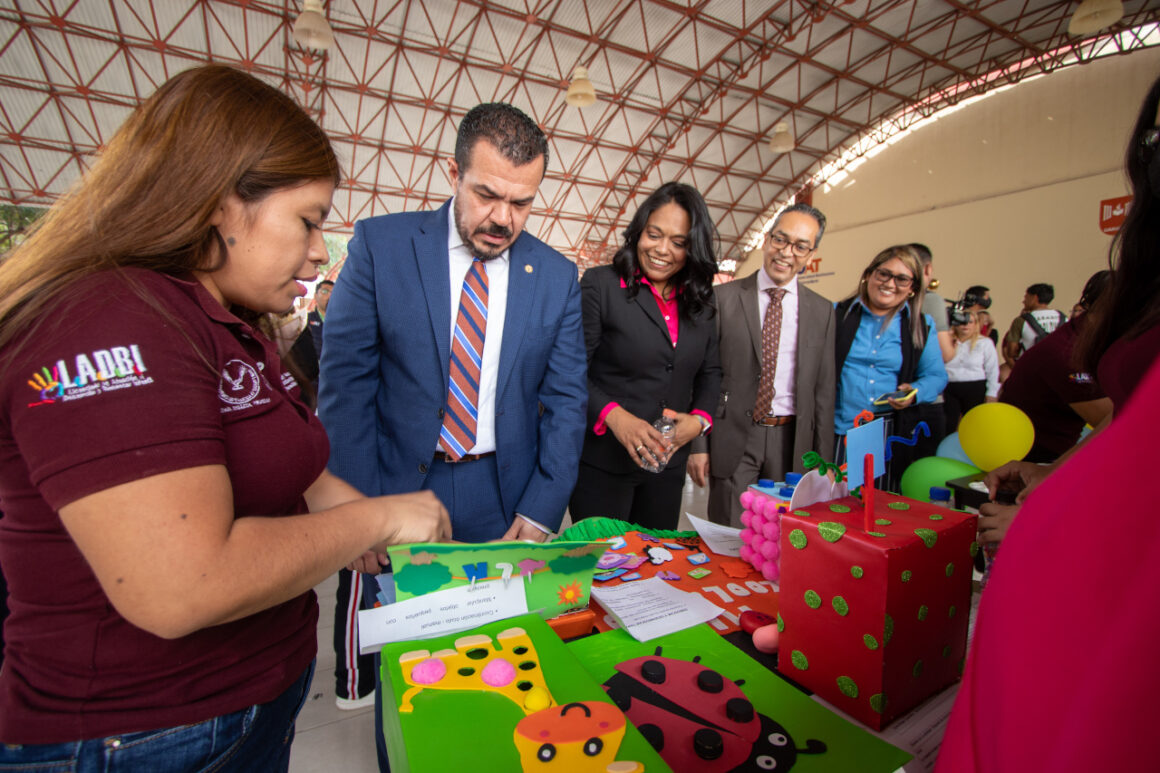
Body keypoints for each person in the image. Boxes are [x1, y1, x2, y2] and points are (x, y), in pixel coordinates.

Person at [0, 65, 450, 769]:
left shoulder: (223, 320)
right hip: (143, 734)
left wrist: (362, 509)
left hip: (240, 708)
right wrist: (376, 520)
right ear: (217, 200)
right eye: (306, 221)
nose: (313, 254)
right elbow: (183, 584)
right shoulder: (109, 318)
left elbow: (290, 462)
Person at [317, 102, 587, 770]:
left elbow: (566, 398)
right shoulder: (381, 245)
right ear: (453, 172)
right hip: (402, 487)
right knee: (413, 670)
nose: (503, 219)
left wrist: (543, 507)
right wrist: (358, 508)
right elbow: (346, 384)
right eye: (487, 193)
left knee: (502, 661)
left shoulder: (553, 275)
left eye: (522, 203)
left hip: (505, 495)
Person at [938, 74, 1160, 772]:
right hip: (1046, 640)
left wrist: (1044, 514)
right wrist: (1049, 482)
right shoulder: (1070, 347)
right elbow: (1123, 439)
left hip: (1098, 653)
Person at [569, 182, 722, 530]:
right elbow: (573, 370)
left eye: (679, 242)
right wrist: (616, 418)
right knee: (601, 569)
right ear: (639, 231)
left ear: (692, 248)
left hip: (666, 469)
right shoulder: (601, 286)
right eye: (654, 235)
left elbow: (711, 372)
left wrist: (698, 422)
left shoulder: (701, 301)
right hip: (603, 464)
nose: (662, 250)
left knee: (655, 568)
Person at [687, 203, 836, 527]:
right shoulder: (723, 299)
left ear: (810, 254)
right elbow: (701, 375)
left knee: (787, 537)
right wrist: (698, 445)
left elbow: (824, 393)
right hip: (734, 436)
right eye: (780, 240)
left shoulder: (822, 311)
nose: (786, 252)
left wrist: (824, 464)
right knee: (729, 533)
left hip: (793, 441)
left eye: (800, 246)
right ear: (767, 240)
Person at [834, 245, 947, 491]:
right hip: (837, 427)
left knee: (870, 509)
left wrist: (915, 391)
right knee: (831, 506)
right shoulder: (836, 315)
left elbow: (936, 375)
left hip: (884, 432)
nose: (890, 283)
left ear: (912, 288)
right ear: (868, 275)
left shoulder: (920, 325)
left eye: (902, 279)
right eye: (883, 274)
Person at [997, 270, 1112, 465]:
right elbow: (1116, 420)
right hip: (1036, 459)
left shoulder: (1082, 338)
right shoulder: (1068, 353)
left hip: (1048, 452)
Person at [942, 310, 999, 432]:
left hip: (975, 387)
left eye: (970, 322)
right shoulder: (946, 342)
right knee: (948, 425)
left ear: (976, 324)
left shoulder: (985, 343)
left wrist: (992, 393)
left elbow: (992, 370)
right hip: (949, 386)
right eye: (962, 322)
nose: (965, 325)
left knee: (973, 426)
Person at [1002, 282, 1067, 365]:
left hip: (1031, 367)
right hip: (1059, 366)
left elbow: (1011, 351)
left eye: (1026, 297)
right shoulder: (1064, 318)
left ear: (1034, 298)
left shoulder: (1021, 320)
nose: (1023, 301)